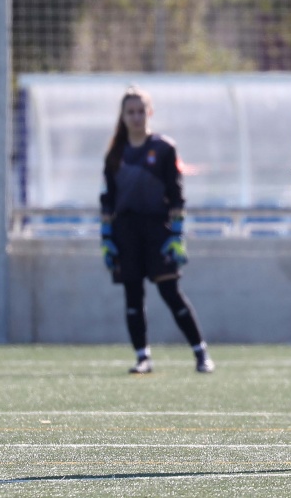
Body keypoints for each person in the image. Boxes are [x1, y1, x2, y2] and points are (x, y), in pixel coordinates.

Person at [99, 86, 215, 374]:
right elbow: (107, 201)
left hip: (157, 229)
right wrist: (106, 239)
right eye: (130, 112)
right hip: (126, 231)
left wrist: (176, 235)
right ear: (123, 116)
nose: (136, 117)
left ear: (149, 113)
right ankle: (142, 357)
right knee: (132, 295)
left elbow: (177, 195)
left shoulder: (163, 149)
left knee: (169, 291)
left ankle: (200, 353)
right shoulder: (115, 153)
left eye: (141, 111)